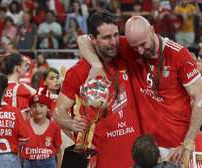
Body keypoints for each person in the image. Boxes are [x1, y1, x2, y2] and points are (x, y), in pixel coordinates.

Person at [78, 14, 202, 167]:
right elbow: (83, 40)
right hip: (151, 150)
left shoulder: (178, 55)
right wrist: (96, 65)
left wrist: (187, 143)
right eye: (135, 47)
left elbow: (201, 99)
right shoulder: (130, 47)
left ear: (152, 30)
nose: (140, 51)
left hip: (180, 145)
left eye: (143, 44)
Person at [53, 10, 141, 168]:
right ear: (93, 39)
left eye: (116, 35)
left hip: (133, 158)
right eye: (107, 38)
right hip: (100, 160)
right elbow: (58, 111)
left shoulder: (125, 56)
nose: (114, 41)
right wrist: (72, 125)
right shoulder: (78, 71)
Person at [21, 89, 62, 168]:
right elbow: (19, 150)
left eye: (41, 106)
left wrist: (58, 166)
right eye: (34, 106)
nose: (37, 109)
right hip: (28, 162)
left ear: (48, 108)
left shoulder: (55, 127)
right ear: (30, 109)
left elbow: (58, 151)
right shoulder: (23, 126)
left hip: (48, 162)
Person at [0, 53, 36, 120]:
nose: (27, 68)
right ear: (18, 68)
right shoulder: (22, 90)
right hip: (15, 128)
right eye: (25, 65)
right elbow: (24, 119)